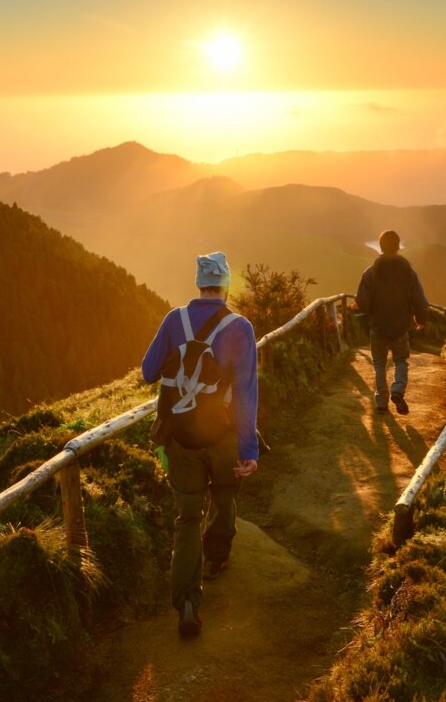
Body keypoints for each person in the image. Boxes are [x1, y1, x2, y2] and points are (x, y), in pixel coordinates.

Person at [142, 251, 259, 637]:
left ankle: (188, 602)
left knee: (187, 518)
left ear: (198, 283)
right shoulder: (239, 327)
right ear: (226, 285)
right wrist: (248, 451)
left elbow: (147, 372)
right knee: (225, 496)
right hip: (222, 436)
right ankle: (217, 558)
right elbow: (245, 393)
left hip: (181, 439)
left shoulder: (174, 320)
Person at [356, 230, 429, 416]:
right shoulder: (408, 272)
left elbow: (363, 303)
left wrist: (357, 309)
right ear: (397, 247)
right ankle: (397, 390)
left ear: (381, 247)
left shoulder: (370, 272)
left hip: (378, 326)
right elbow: (419, 299)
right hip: (401, 326)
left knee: (379, 363)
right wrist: (421, 319)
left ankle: (381, 403)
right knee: (401, 360)